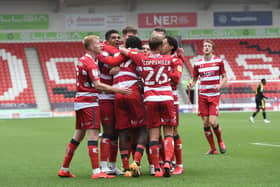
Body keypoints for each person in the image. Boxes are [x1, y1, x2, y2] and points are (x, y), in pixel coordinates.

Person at [57, 35, 130, 179]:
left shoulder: (83, 60)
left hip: (80, 100)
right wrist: (118, 90)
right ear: (90, 47)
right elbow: (98, 85)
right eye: (97, 43)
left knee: (78, 135)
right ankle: (97, 171)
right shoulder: (91, 63)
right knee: (94, 135)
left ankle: (64, 168)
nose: (101, 45)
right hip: (89, 101)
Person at [120, 36, 177, 177]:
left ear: (149, 47)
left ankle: (156, 168)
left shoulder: (141, 58)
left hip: (150, 98)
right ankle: (168, 163)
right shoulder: (170, 59)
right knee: (169, 132)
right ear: (160, 47)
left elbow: (124, 51)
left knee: (153, 136)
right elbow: (176, 74)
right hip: (167, 97)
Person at [98, 36, 149, 177]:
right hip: (131, 91)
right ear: (139, 46)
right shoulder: (138, 55)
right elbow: (145, 72)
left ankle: (126, 168)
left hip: (117, 94)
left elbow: (110, 63)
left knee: (123, 131)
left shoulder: (117, 55)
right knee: (143, 129)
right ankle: (136, 162)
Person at [188, 39, 227, 155]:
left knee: (213, 122)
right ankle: (213, 148)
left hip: (214, 96)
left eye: (208, 46)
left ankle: (220, 142)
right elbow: (194, 79)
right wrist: (192, 83)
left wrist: (219, 85)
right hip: (202, 96)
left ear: (212, 49)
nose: (206, 47)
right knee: (205, 123)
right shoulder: (197, 63)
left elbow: (225, 78)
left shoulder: (219, 61)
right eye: (205, 46)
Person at [98, 29, 122, 175]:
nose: (117, 40)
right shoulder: (104, 52)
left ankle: (113, 166)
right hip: (105, 96)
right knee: (107, 131)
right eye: (114, 38)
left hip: (117, 96)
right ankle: (103, 165)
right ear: (106, 40)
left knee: (116, 133)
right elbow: (111, 67)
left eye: (119, 37)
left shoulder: (118, 52)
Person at [161, 36, 184, 175]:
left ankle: (179, 164)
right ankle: (168, 161)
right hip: (157, 99)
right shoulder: (157, 58)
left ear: (170, 47)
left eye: (163, 44)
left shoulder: (176, 60)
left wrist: (162, 69)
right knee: (158, 132)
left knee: (173, 131)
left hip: (171, 99)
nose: (160, 46)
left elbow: (176, 78)